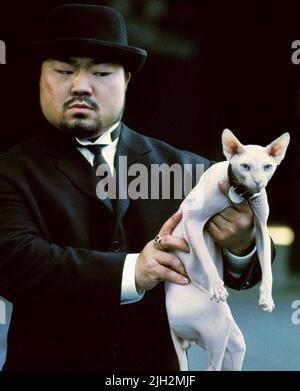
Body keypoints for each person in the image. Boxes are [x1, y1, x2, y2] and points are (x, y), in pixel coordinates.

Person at [0, 4, 272, 370]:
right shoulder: (11, 170)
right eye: (64, 71)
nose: (81, 85)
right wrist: (134, 272)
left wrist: (241, 244)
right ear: (40, 78)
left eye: (100, 72)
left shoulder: (186, 168)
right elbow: (16, 263)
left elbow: (256, 256)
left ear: (126, 80)